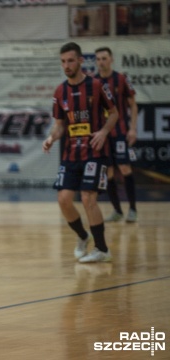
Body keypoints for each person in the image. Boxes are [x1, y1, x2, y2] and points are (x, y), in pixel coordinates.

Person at [43, 42, 118, 263]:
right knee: (63, 199)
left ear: (81, 61)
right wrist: (51, 138)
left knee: (88, 198)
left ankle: (102, 249)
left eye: (70, 60)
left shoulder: (96, 86)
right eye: (63, 61)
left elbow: (113, 114)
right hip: (71, 154)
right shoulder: (60, 91)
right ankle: (83, 237)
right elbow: (59, 125)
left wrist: (104, 132)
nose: (66, 65)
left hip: (95, 152)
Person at [94, 47, 139, 223]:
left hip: (119, 132)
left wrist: (133, 128)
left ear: (111, 59)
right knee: (109, 173)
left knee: (125, 168)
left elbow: (133, 105)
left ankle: (133, 209)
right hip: (103, 135)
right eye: (98, 59)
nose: (101, 62)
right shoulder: (93, 82)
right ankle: (117, 210)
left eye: (104, 58)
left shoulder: (121, 79)